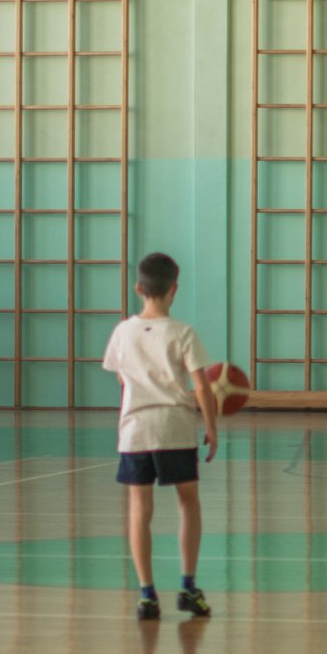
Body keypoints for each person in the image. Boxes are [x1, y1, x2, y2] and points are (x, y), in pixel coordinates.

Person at [101, 252, 220, 623]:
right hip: (174, 428)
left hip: (135, 431)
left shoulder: (123, 331)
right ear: (174, 289)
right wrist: (212, 427)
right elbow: (202, 386)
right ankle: (188, 587)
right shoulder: (182, 332)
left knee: (140, 510)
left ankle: (147, 594)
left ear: (139, 289)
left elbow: (121, 376)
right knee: (189, 503)